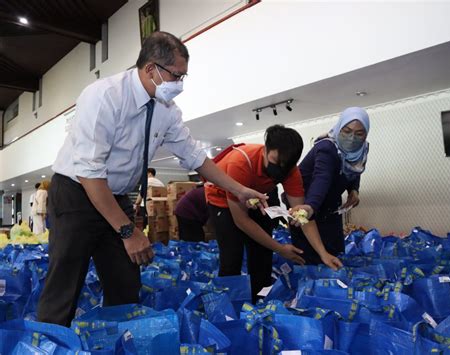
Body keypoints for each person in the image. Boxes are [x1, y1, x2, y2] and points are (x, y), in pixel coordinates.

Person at [37, 31, 267, 327]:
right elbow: (90, 173)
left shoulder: (166, 110)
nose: (179, 85)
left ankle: (118, 341)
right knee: (64, 285)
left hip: (116, 196)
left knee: (125, 283)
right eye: (176, 76)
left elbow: (194, 156)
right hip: (76, 194)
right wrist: (128, 231)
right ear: (150, 69)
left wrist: (240, 189)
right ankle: (50, 341)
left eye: (183, 77)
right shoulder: (104, 96)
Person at [205, 125, 342, 302]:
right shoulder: (241, 162)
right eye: (276, 162)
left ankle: (260, 303)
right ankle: (228, 312)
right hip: (223, 200)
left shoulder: (290, 170)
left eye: (286, 166)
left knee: (263, 254)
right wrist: (280, 248)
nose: (280, 169)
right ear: (265, 149)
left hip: (259, 197)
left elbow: (303, 215)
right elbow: (241, 221)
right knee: (232, 256)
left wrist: (323, 253)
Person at [290, 107, 370, 264]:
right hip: (307, 203)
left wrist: (354, 190)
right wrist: (310, 207)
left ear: (366, 134)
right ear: (339, 128)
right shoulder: (326, 147)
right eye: (346, 131)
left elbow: (354, 170)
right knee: (311, 257)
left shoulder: (362, 149)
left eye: (359, 134)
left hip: (331, 206)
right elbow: (322, 178)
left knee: (335, 252)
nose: (352, 138)